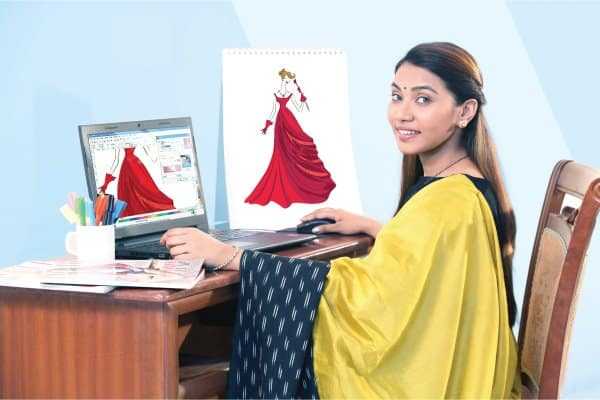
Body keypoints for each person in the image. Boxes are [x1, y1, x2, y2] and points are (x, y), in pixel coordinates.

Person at [160, 42, 521, 398]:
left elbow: (370, 300)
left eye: (423, 99)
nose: (402, 114)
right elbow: (435, 260)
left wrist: (231, 256)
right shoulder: (463, 188)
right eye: (397, 96)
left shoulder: (446, 202)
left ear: (465, 111)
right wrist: (377, 228)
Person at [244, 68, 336, 208]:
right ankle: (286, 182)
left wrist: (303, 100)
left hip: (289, 120)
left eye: (289, 81)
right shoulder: (275, 93)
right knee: (282, 153)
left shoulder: (291, 94)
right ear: (282, 80)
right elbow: (273, 111)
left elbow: (300, 108)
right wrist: (266, 126)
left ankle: (303, 180)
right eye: (286, 81)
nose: (287, 83)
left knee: (301, 143)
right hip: (280, 124)